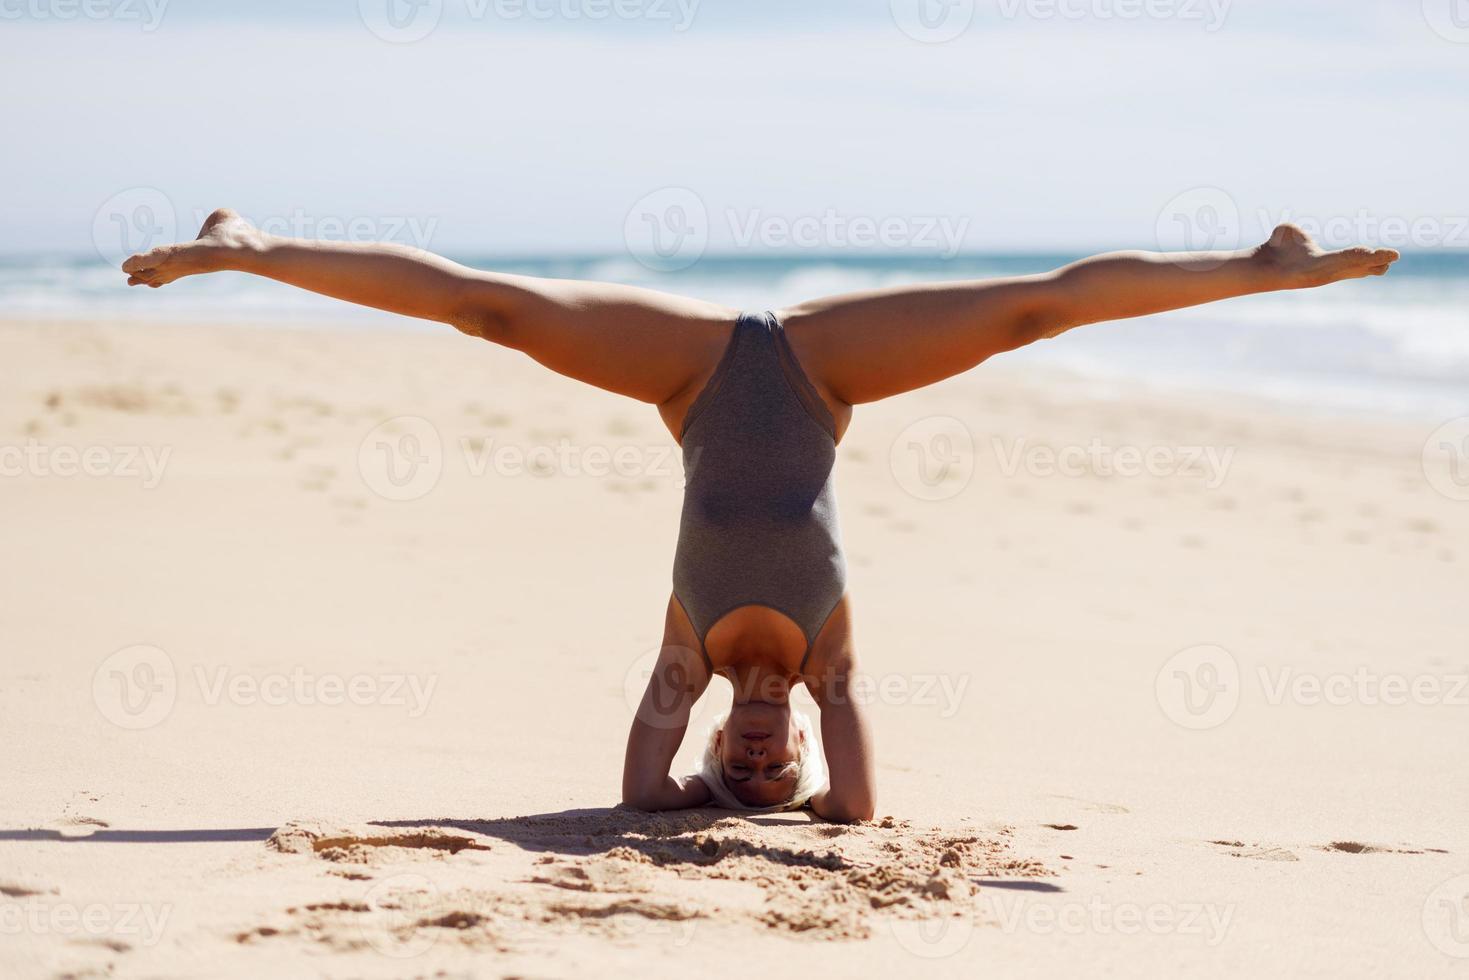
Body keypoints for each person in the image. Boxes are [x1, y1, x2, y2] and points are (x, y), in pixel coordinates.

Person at [122, 209, 1398, 822]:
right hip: (825, 370)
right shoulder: (830, 671)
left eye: (740, 764)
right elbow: (856, 816)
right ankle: (1260, 269)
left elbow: (636, 798)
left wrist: (687, 798)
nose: (756, 755)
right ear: (794, 750)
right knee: (1034, 310)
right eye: (770, 767)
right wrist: (798, 811)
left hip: (686, 378)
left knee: (487, 309)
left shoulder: (682, 668)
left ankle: (245, 245)